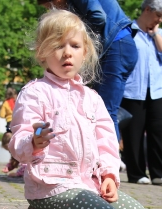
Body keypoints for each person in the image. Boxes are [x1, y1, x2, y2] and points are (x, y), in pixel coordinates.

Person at [9, 9, 148, 209]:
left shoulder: (92, 97)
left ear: (85, 52)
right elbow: (18, 139)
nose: (67, 54)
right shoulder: (35, 93)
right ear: (42, 53)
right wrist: (33, 142)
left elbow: (106, 142)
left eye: (74, 46)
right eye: (57, 45)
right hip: (49, 188)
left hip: (88, 184)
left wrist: (110, 177)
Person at [37, 0, 138, 143]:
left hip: (116, 47)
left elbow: (98, 16)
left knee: (105, 112)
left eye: (53, 6)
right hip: (120, 46)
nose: (55, 10)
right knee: (104, 108)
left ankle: (108, 162)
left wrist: (75, 35)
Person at [121, 0, 162, 185]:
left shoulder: (161, 34)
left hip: (158, 90)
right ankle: (137, 174)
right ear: (147, 10)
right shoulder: (129, 31)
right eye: (158, 16)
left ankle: (160, 173)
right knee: (134, 134)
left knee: (159, 131)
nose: (160, 20)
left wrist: (156, 37)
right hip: (132, 90)